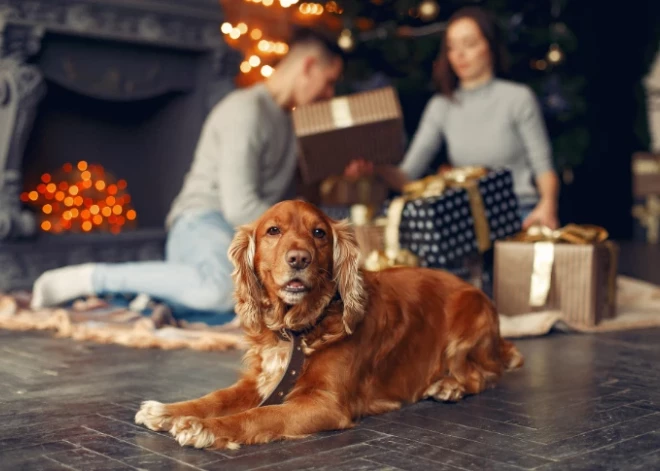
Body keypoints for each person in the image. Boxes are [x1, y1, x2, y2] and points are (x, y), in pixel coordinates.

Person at [30, 27, 345, 317]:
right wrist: (293, 239)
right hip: (202, 222)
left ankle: (152, 299)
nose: (329, 94)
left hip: (249, 237)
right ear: (308, 66)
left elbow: (288, 203)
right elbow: (240, 207)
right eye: (329, 81)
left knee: (287, 304)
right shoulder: (247, 111)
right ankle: (91, 278)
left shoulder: (289, 124)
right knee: (224, 293)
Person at [345, 6, 560, 229]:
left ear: (490, 47)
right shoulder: (441, 106)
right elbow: (407, 178)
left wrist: (548, 205)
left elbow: (543, 166)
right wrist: (376, 167)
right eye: (452, 47)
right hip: (469, 224)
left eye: (469, 44)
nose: (459, 55)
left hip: (521, 215)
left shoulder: (517, 98)